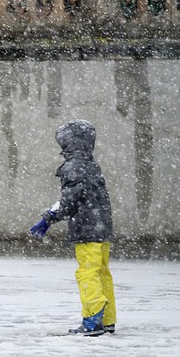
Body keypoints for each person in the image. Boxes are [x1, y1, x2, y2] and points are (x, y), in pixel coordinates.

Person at [29, 119, 116, 336]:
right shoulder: (91, 164)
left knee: (87, 273)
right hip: (102, 229)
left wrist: (49, 217)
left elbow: (69, 203)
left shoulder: (74, 166)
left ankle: (93, 320)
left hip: (87, 230)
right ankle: (107, 319)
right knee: (102, 273)